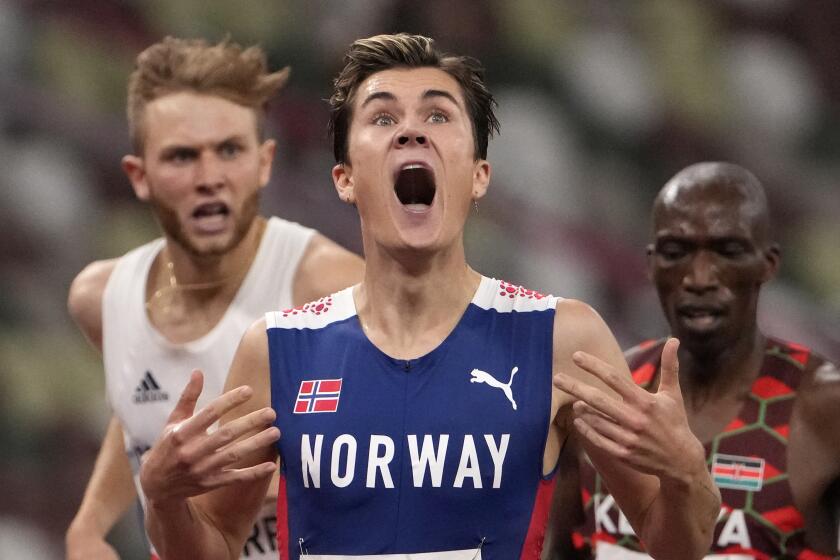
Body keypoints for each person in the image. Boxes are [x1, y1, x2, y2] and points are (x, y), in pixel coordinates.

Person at [136, 33, 720, 560]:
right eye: (383, 117)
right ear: (344, 178)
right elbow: (211, 547)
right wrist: (162, 501)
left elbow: (675, 544)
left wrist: (687, 473)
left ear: (479, 175)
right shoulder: (276, 350)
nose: (412, 130)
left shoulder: (563, 339)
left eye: (439, 115)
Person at [64, 36, 364, 560]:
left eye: (230, 150)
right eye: (182, 156)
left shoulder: (332, 287)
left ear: (265, 162)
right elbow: (136, 404)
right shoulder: (101, 298)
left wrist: (255, 483)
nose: (210, 178)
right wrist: (89, 525)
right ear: (139, 176)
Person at [555, 162, 840, 559]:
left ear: (768, 264)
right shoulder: (597, 400)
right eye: (677, 252)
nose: (701, 277)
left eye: (727, 251)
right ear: (652, 265)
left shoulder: (825, 408)